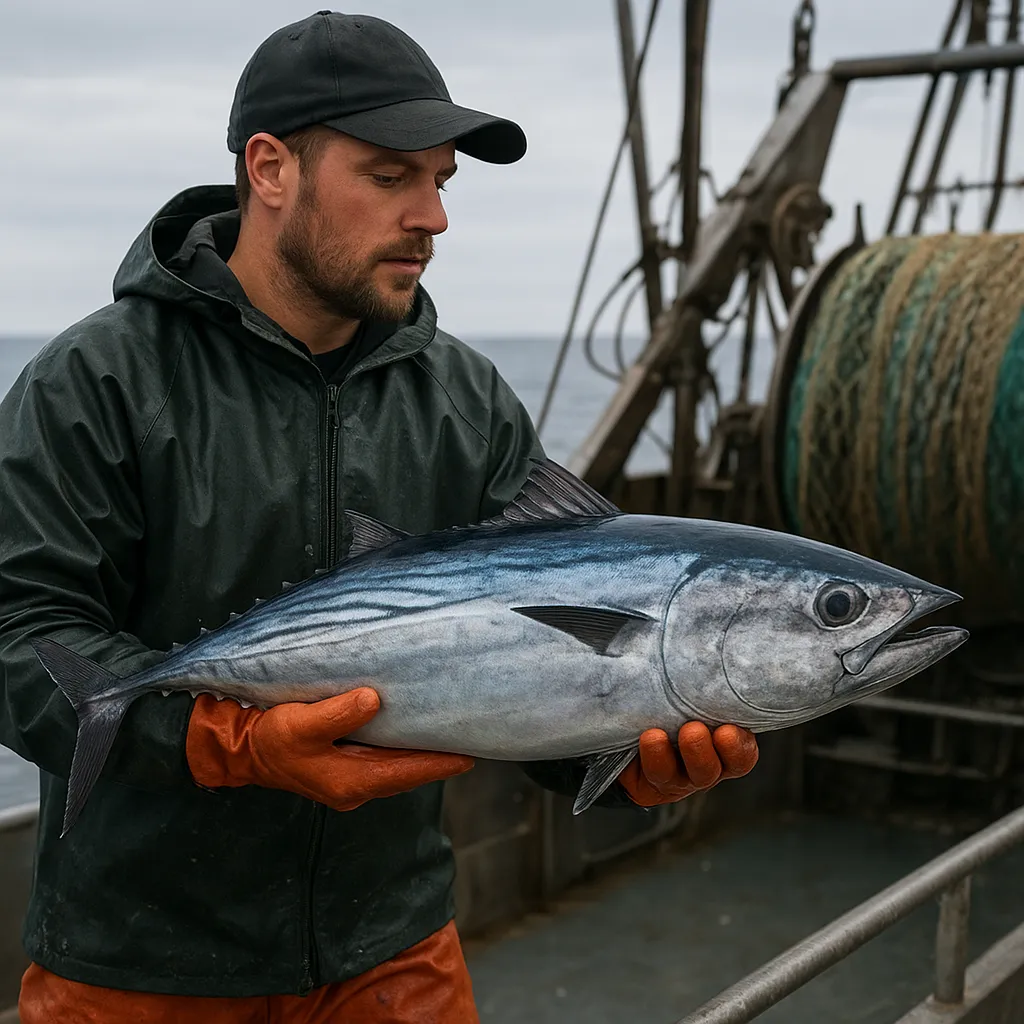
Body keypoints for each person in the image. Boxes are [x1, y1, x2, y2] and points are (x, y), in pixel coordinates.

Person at [0, 11, 759, 1023]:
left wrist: (626, 758)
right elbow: (20, 636)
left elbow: (526, 664)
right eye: (392, 176)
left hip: (392, 948)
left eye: (442, 180)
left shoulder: (466, 398)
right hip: (142, 961)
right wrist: (225, 742)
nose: (433, 216)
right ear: (272, 169)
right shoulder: (94, 382)